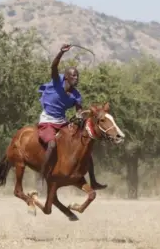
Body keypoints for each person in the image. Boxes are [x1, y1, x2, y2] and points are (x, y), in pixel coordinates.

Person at [37, 44, 107, 190]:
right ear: (67, 77)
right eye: (73, 75)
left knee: (85, 147)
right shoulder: (57, 81)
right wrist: (60, 52)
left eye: (77, 76)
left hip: (61, 122)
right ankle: (42, 176)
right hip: (48, 120)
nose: (76, 78)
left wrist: (81, 115)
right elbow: (54, 66)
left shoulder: (76, 95)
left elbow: (78, 112)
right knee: (51, 144)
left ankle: (93, 181)